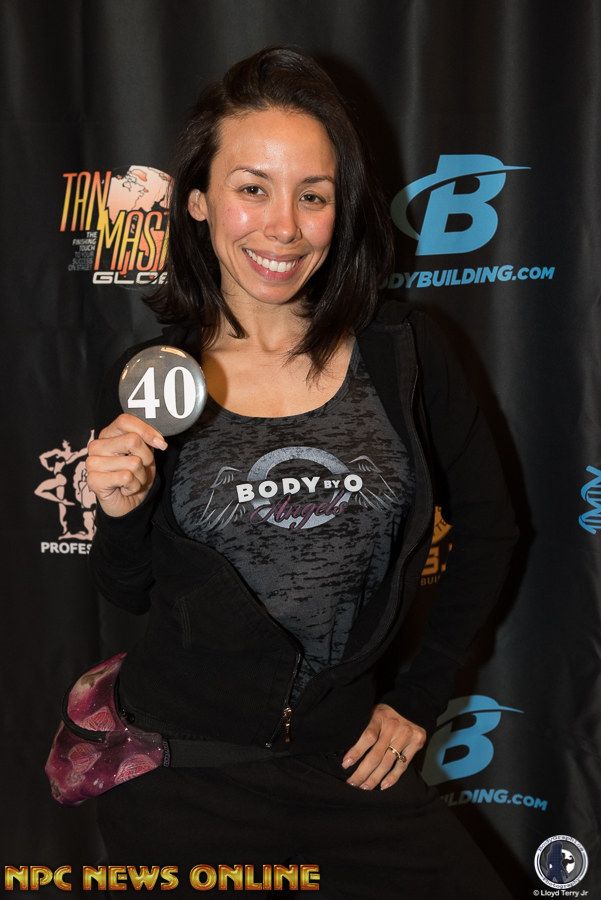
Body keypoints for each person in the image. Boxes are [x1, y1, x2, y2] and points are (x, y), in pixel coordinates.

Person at [86, 45, 517, 898]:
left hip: (345, 762)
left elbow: (492, 531)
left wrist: (420, 696)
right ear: (199, 201)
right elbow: (127, 589)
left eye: (312, 195)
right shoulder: (155, 378)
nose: (282, 226)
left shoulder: (407, 353)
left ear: (339, 210)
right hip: (183, 777)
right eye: (253, 188)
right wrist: (121, 507)